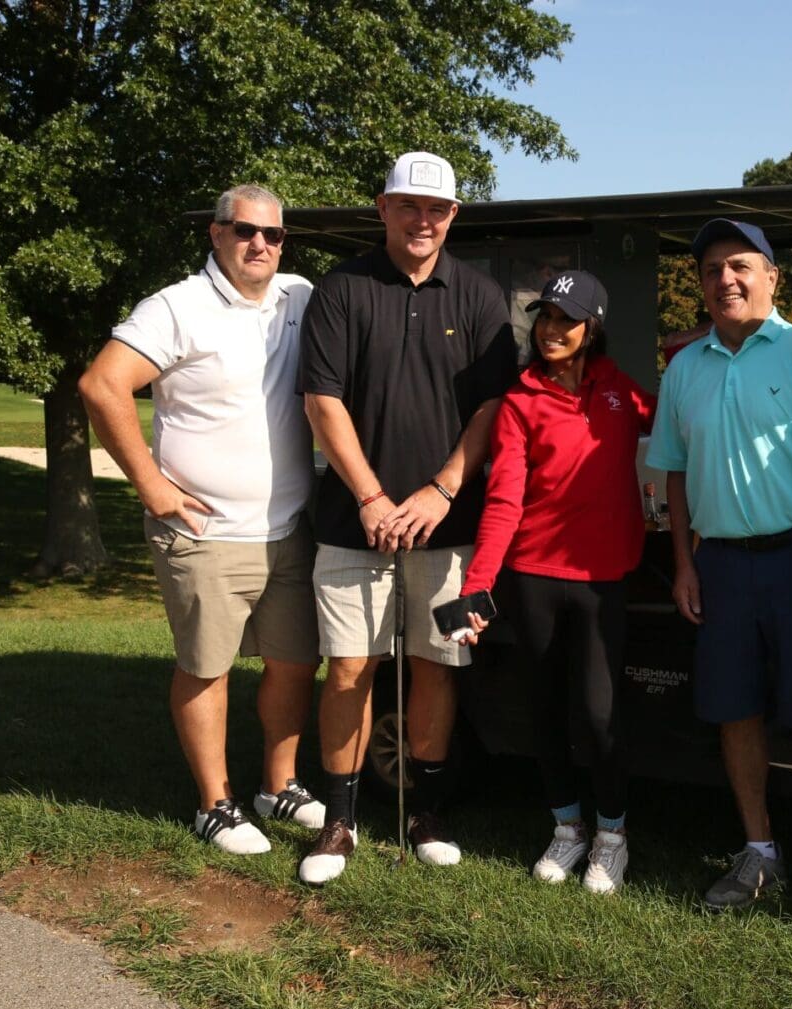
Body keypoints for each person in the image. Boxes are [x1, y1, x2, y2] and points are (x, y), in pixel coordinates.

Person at [80, 183, 324, 855]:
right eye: (245, 231)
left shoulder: (299, 298)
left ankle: (280, 785)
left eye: (273, 235)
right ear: (216, 234)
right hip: (205, 533)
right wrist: (151, 484)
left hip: (288, 527)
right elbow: (102, 385)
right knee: (206, 668)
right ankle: (215, 804)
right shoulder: (175, 307)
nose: (260, 245)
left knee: (295, 662)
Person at [296, 151, 518, 885]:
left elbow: (492, 407)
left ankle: (424, 812)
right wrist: (371, 497)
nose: (424, 220)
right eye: (409, 206)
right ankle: (339, 821)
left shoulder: (482, 297)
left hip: (448, 526)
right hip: (351, 520)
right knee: (350, 670)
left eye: (438, 209)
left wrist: (443, 489)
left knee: (435, 666)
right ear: (383, 209)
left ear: (453, 216)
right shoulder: (343, 289)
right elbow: (322, 400)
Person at [645, 219, 792, 932]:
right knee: (736, 713)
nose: (724, 280)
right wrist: (684, 563)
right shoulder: (685, 367)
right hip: (722, 567)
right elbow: (673, 476)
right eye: (710, 270)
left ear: (772, 276)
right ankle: (759, 849)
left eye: (739, 266)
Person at [452, 270, 655, 895]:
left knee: (598, 714)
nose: (551, 330)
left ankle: (612, 838)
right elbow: (504, 498)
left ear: (591, 327)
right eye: (544, 318)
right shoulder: (519, 401)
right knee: (544, 708)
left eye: (565, 320)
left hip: (603, 580)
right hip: (532, 577)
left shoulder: (624, 393)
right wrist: (478, 584)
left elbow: (674, 446)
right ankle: (567, 829)